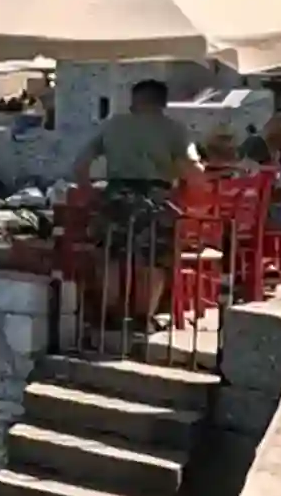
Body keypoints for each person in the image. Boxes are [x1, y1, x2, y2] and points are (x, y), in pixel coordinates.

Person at [71, 79, 197, 326]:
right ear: (162, 102)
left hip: (117, 193)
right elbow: (193, 169)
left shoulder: (113, 126)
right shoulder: (174, 129)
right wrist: (182, 192)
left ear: (135, 99)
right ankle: (143, 317)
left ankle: (110, 315)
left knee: (111, 256)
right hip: (155, 196)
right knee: (152, 259)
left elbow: (80, 163)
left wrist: (88, 191)